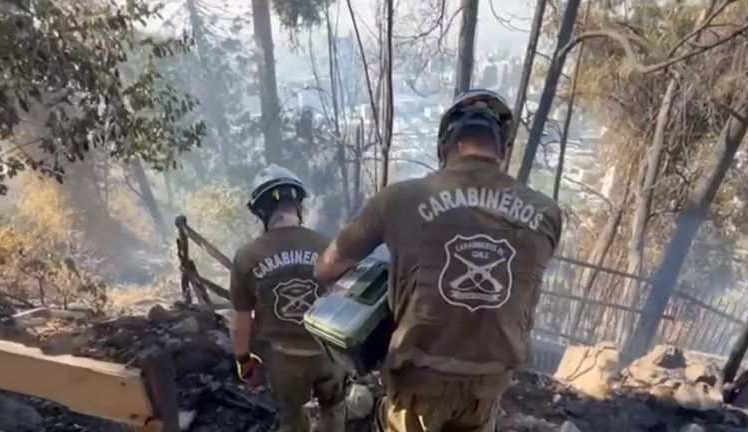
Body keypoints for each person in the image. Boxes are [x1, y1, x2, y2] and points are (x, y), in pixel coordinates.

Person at [314, 89, 563, 432]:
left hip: (417, 384)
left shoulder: (400, 199)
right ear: (503, 150)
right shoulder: (546, 213)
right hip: (487, 386)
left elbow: (326, 266)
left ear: (445, 146)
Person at [229, 164, 346, 432]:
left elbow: (239, 325)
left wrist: (243, 360)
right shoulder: (327, 245)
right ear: (299, 206)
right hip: (328, 353)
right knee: (334, 410)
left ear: (261, 212)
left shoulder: (247, 256)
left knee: (290, 420)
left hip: (282, 360)